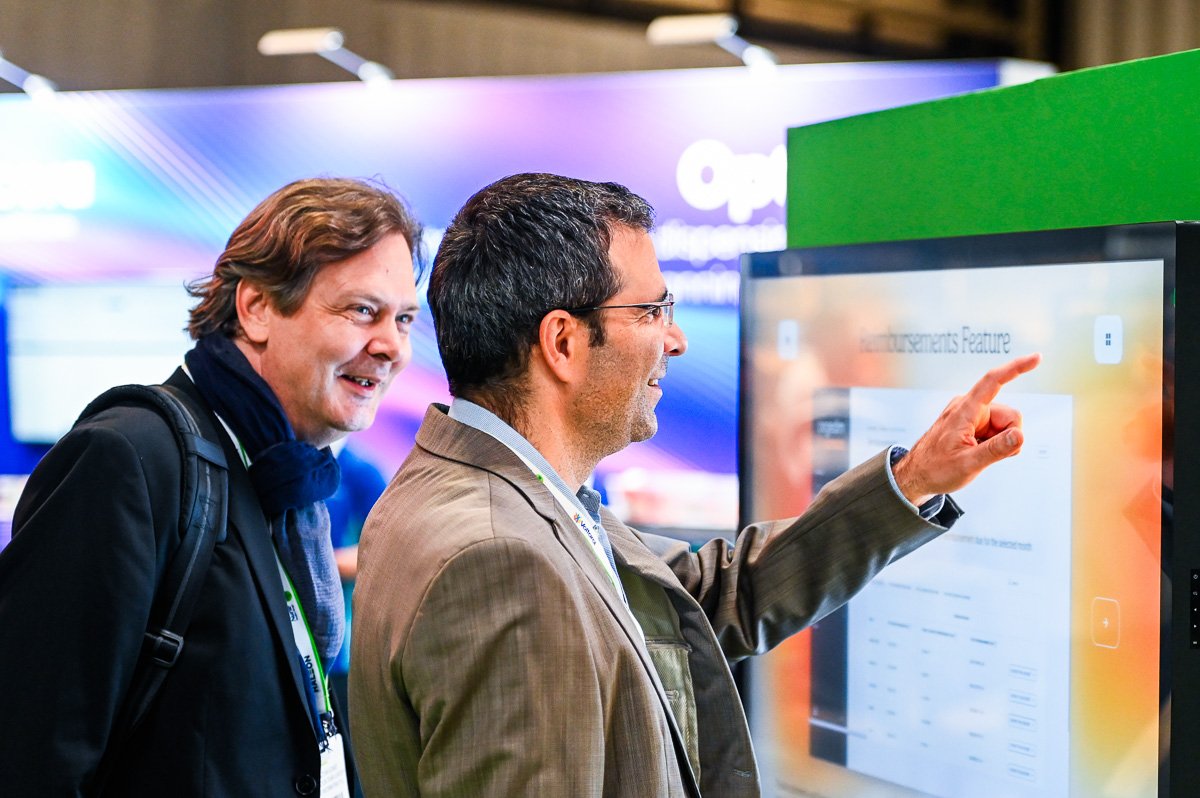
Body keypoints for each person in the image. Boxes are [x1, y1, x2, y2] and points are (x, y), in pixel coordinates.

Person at [349, 172, 1039, 798]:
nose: (675, 340)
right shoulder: (503, 554)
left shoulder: (491, 492)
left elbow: (705, 599)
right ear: (563, 343)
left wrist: (913, 480)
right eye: (651, 312)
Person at [0, 176, 422, 797]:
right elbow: (34, 757)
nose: (392, 348)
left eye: (404, 319)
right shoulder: (129, 458)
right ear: (256, 308)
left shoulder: (288, 479)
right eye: (363, 310)